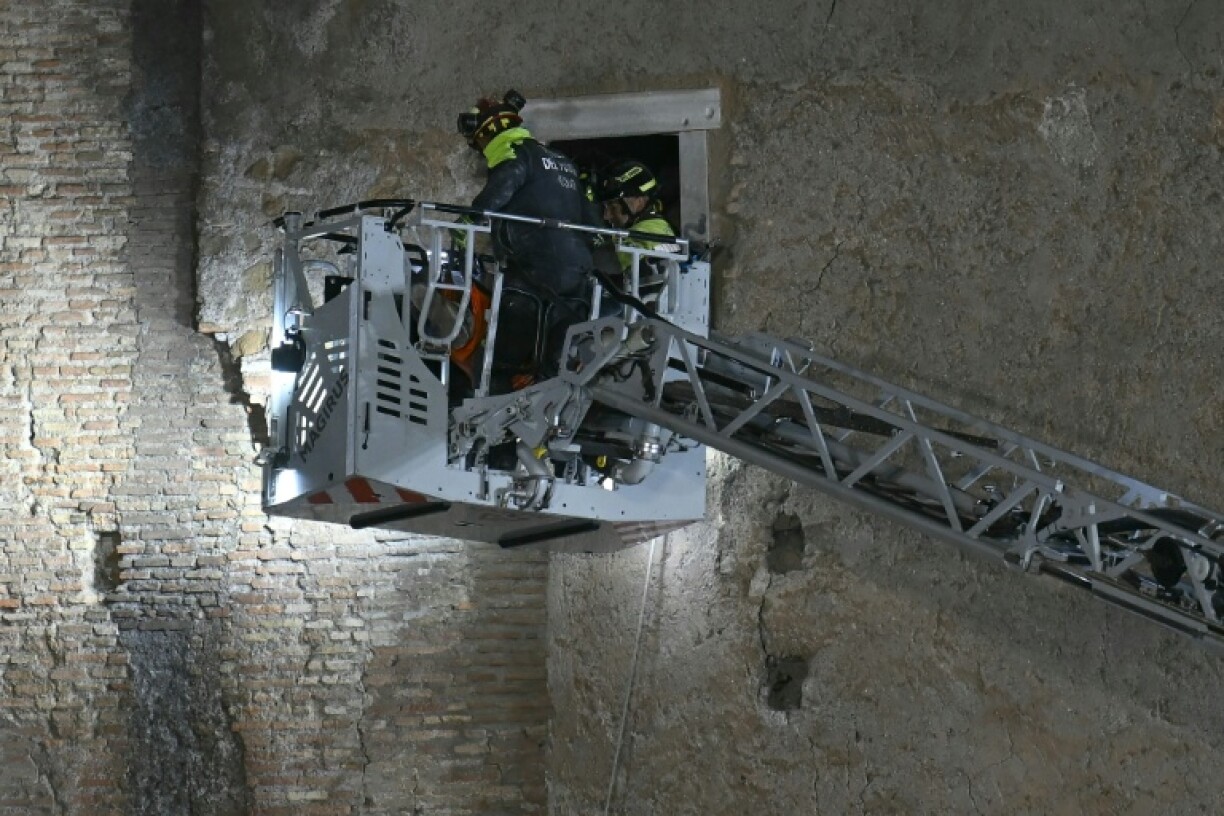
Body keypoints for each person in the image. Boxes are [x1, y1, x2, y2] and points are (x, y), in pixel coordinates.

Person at [456, 90, 593, 381]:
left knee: (500, 366)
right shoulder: (563, 162)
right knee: (555, 368)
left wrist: (461, 230)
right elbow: (593, 223)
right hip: (576, 280)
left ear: (486, 135)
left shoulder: (514, 153)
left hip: (531, 278)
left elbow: (494, 198)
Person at [597, 159, 679, 273]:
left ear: (639, 202)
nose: (606, 216)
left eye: (613, 207)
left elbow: (602, 262)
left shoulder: (647, 232)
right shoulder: (657, 226)